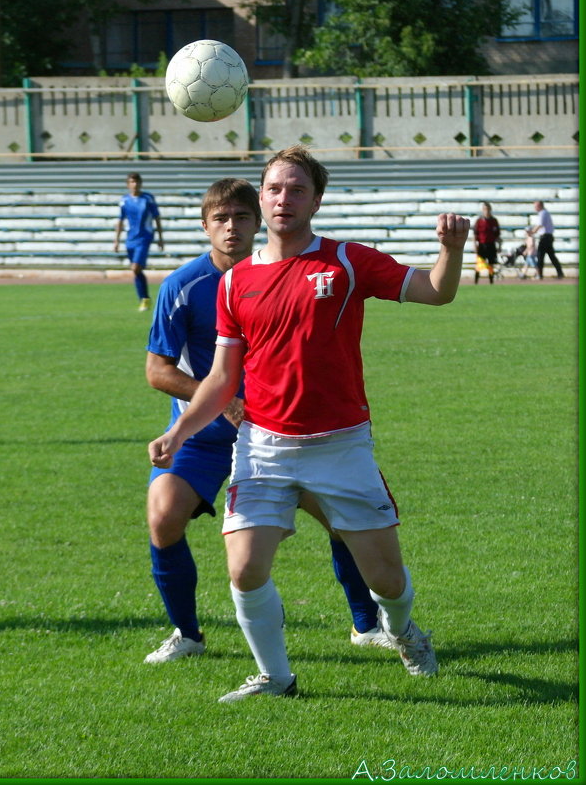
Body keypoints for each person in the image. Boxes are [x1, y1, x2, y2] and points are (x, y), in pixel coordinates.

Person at [149, 146, 470, 703]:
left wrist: (452, 250)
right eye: (275, 188)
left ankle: (403, 632)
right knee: (245, 568)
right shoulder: (235, 283)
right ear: (262, 197)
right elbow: (223, 377)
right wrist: (179, 432)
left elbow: (436, 292)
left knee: (386, 582)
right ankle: (276, 677)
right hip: (263, 446)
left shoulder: (346, 261)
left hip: (340, 447)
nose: (283, 199)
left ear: (316, 201)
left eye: (297, 189)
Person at [144, 177, 392, 665]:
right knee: (163, 518)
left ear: (258, 222)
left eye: (240, 218)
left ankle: (366, 626)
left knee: (343, 524)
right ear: (205, 226)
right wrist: (219, 404)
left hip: (280, 435)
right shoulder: (183, 285)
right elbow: (158, 370)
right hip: (206, 437)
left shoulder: (283, 273)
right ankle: (187, 634)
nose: (231, 228)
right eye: (220, 219)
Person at [114, 172, 164, 311]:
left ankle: (144, 299)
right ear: (128, 184)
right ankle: (145, 299)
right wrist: (116, 240)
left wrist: (160, 238)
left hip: (145, 237)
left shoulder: (148, 198)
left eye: (137, 182)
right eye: (132, 182)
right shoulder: (124, 200)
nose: (135, 184)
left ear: (140, 183)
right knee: (136, 271)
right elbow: (120, 220)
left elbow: (157, 218)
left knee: (135, 268)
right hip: (130, 239)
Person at [527, 200, 564, 279]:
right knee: (551, 256)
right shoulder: (545, 213)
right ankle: (560, 273)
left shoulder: (543, 213)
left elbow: (540, 225)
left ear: (540, 206)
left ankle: (539, 274)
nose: (535, 208)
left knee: (540, 256)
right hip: (548, 237)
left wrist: (532, 232)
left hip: (545, 237)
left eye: (536, 206)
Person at [472, 201, 500, 285]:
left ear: (490, 209)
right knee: (479, 264)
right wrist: (474, 245)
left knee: (491, 264)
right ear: (483, 210)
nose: (486, 211)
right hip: (482, 245)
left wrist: (499, 245)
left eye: (487, 209)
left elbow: (497, 235)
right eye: (484, 209)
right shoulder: (479, 221)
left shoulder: (494, 221)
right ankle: (476, 282)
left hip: (491, 244)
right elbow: (475, 234)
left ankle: (491, 282)